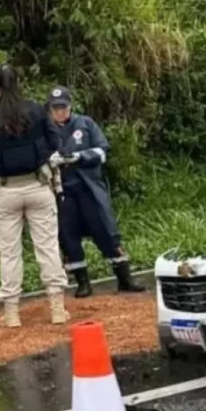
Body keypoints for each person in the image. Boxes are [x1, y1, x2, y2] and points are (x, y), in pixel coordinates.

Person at [0, 63, 70, 328]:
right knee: (47, 247)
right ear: (18, 83)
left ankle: (12, 313)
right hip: (38, 185)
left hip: (5, 190)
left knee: (9, 253)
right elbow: (55, 142)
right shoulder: (35, 111)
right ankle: (57, 308)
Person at [45, 86, 145, 298]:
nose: (60, 112)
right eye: (55, 108)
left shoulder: (85, 123)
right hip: (64, 191)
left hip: (89, 186)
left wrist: (79, 157)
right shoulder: (46, 131)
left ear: (70, 106)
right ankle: (82, 282)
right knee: (68, 234)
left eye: (63, 107)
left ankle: (124, 278)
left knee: (106, 230)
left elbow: (102, 151)